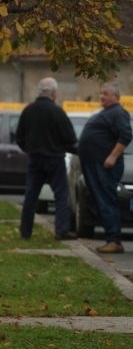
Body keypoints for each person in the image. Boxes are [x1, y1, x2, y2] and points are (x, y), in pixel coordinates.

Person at [16, 77, 78, 240]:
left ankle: (25, 232)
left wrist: (29, 150)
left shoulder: (28, 110)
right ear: (53, 93)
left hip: (35, 159)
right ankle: (61, 230)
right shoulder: (57, 112)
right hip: (55, 159)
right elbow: (70, 138)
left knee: (31, 196)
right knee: (61, 195)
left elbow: (19, 137)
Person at [77, 82, 132, 253]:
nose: (102, 96)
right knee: (100, 201)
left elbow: (126, 135)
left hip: (105, 165)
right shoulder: (105, 113)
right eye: (100, 93)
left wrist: (113, 156)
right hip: (93, 164)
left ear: (116, 96)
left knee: (107, 200)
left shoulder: (118, 113)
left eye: (106, 93)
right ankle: (111, 238)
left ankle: (114, 240)